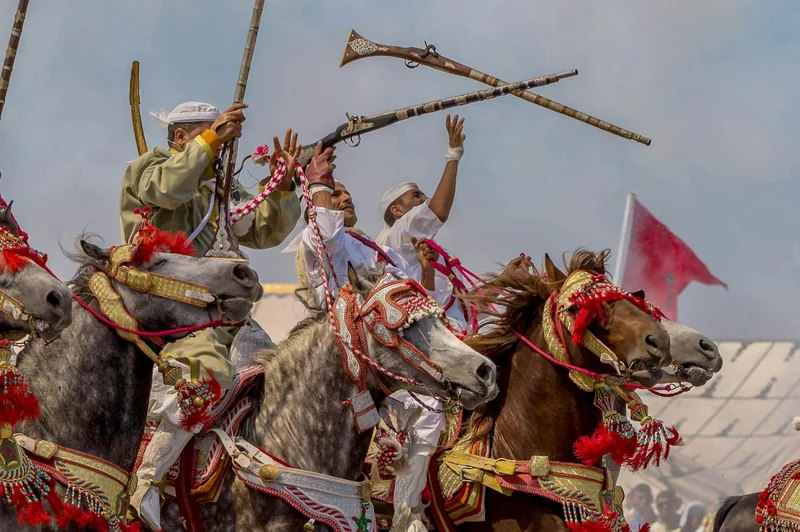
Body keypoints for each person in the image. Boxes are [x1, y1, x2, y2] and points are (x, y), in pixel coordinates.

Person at [120, 101, 301, 530]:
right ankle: (147, 480)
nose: (222, 143)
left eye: (223, 135)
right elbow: (166, 190)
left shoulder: (216, 189)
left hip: (221, 311)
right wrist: (210, 141)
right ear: (182, 137)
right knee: (206, 369)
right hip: (165, 303)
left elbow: (262, 231)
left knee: (281, 376)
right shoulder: (151, 166)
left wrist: (284, 188)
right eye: (210, 133)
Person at [291, 143, 451, 309]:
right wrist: (319, 184)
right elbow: (328, 235)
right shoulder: (313, 240)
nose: (347, 198)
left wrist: (427, 270)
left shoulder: (375, 249)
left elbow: (422, 302)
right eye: (335, 195)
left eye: (347, 193)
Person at [376, 115, 468, 330]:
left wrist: (506, 278)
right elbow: (438, 211)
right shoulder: (398, 234)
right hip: (433, 336)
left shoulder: (440, 254)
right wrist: (453, 155)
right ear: (397, 210)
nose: (425, 199)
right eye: (416, 196)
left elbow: (472, 302)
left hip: (463, 336)